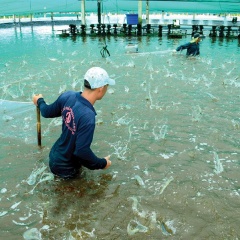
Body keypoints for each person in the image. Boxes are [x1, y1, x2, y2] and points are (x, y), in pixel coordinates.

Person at [32, 67, 115, 179]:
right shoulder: (88, 116)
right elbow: (81, 152)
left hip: (54, 156)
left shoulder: (68, 96)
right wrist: (103, 163)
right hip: (67, 168)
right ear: (100, 88)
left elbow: (46, 112)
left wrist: (39, 101)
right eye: (106, 86)